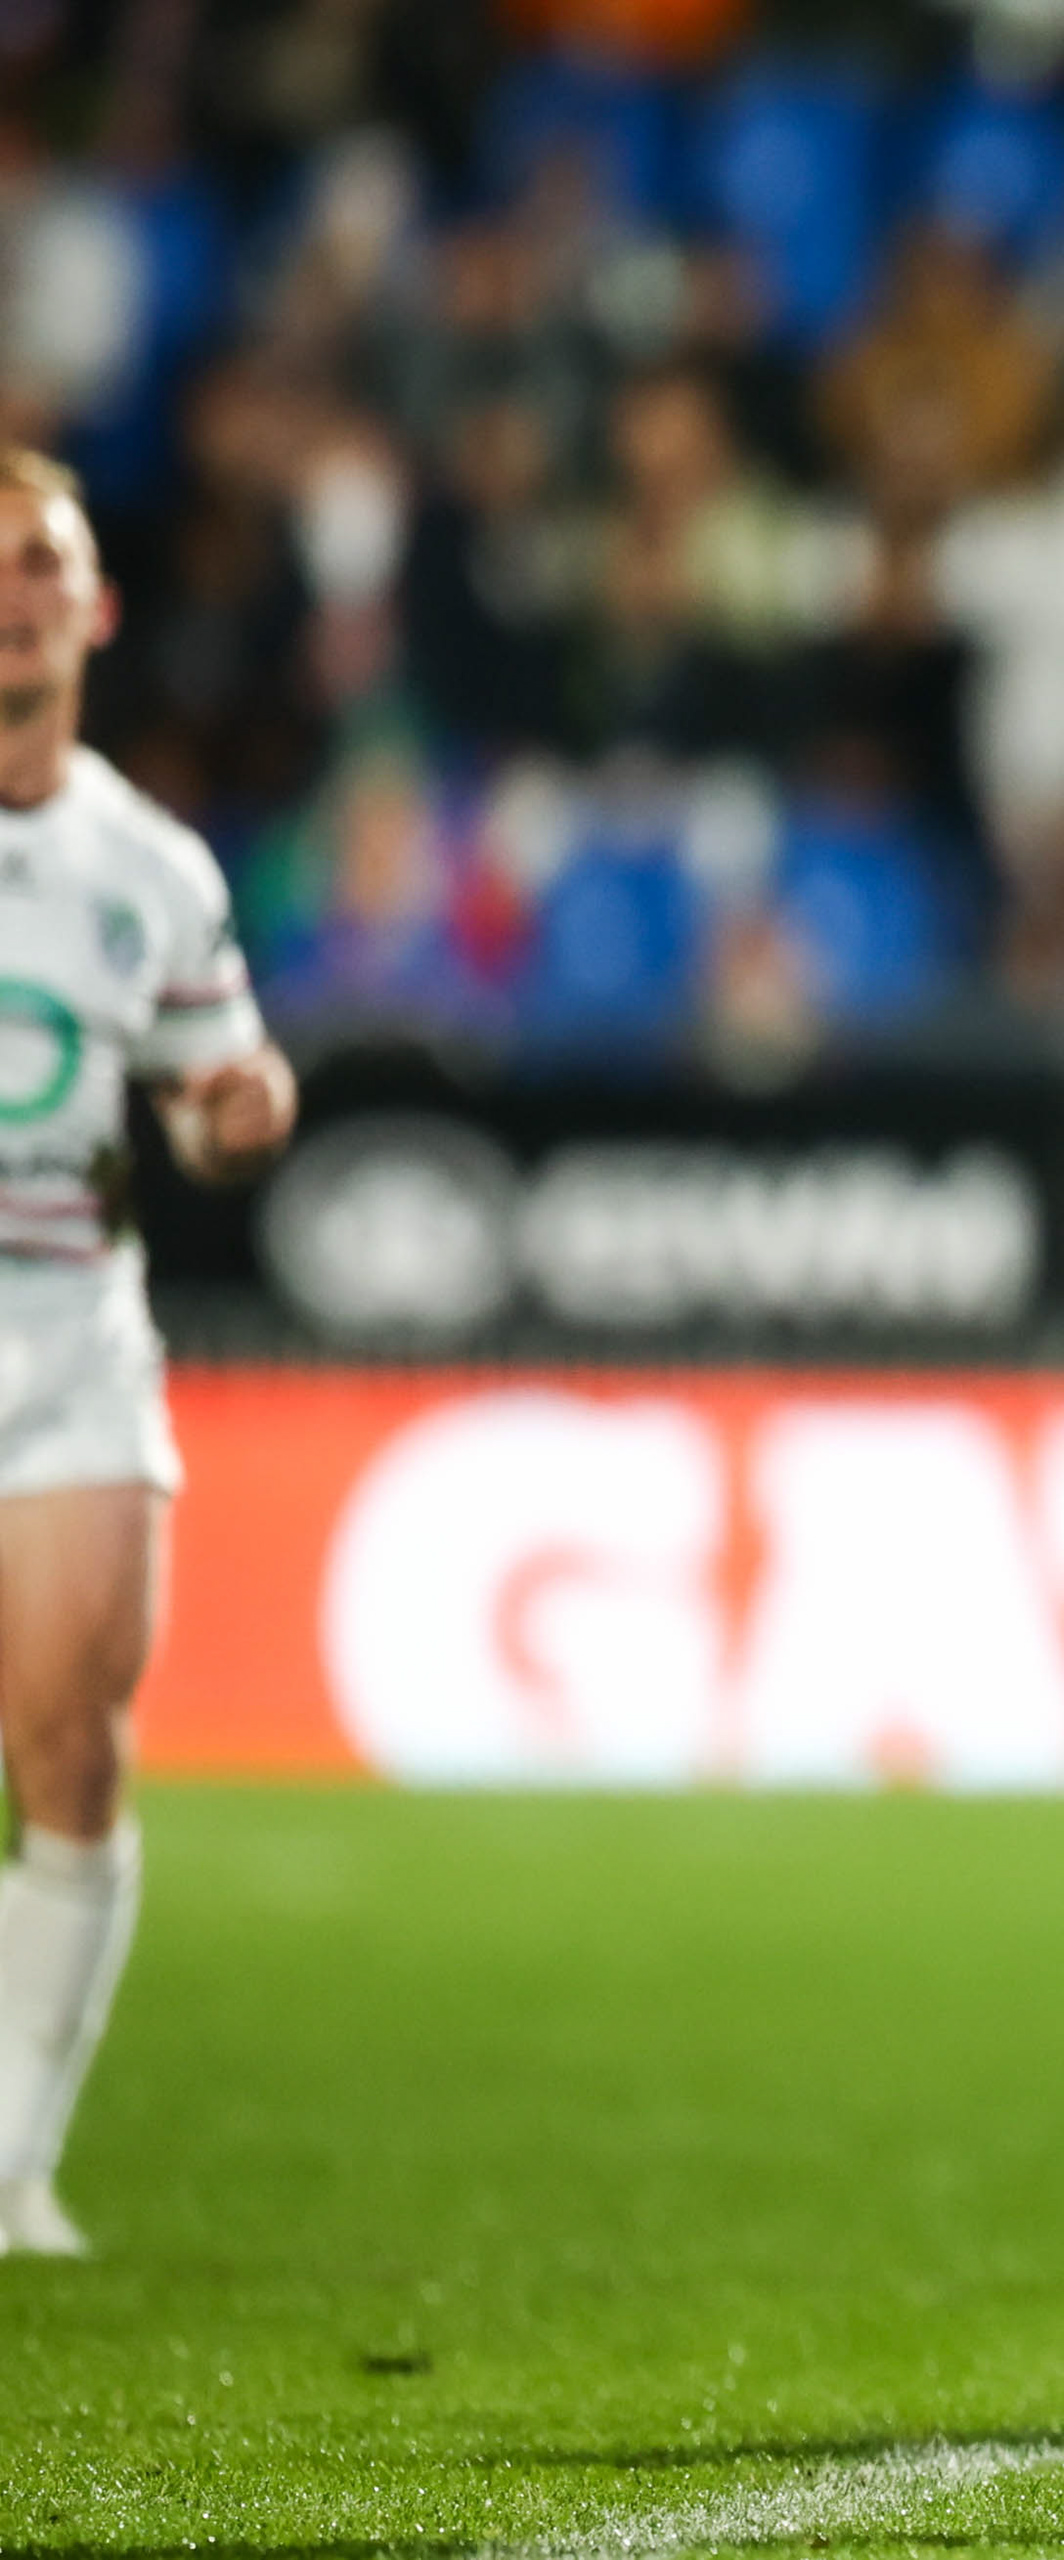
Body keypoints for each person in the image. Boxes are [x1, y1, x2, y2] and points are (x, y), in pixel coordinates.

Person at [0, 449, 299, 2255]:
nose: (15, 594)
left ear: (98, 610)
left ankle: (9, 2163)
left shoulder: (152, 871)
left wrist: (240, 1117)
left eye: (44, 562)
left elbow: (205, 1100)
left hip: (62, 1339)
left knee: (73, 1751)